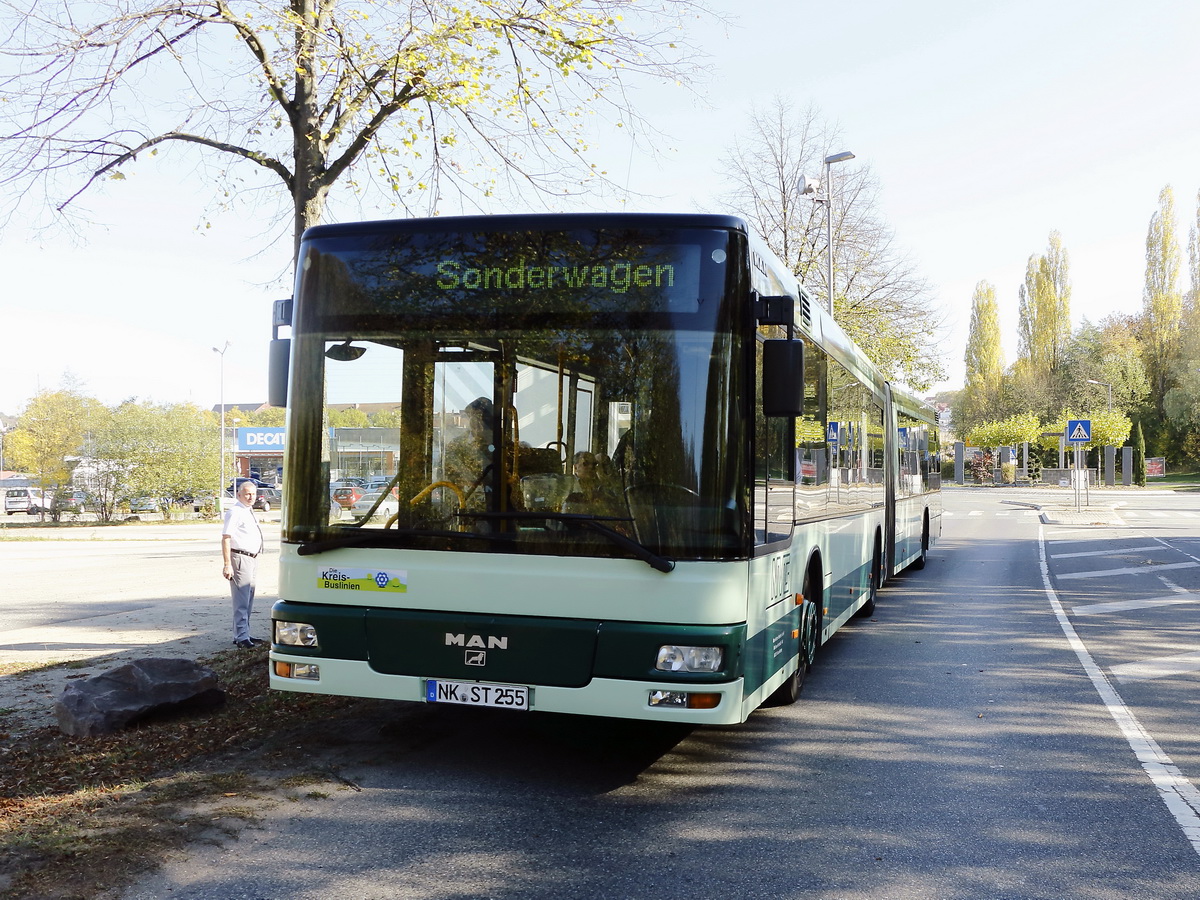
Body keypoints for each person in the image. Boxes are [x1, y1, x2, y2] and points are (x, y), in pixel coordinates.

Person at [221, 480, 265, 649]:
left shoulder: (248, 510)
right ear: (239, 494)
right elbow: (226, 538)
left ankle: (242, 633)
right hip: (240, 557)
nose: (250, 497)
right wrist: (227, 564)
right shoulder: (235, 511)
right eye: (247, 493)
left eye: (253, 494)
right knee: (241, 599)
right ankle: (241, 637)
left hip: (252, 558)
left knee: (249, 598)